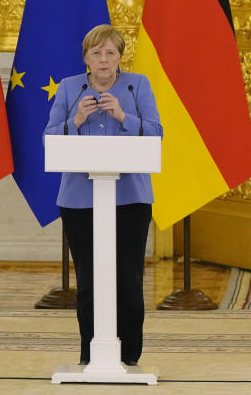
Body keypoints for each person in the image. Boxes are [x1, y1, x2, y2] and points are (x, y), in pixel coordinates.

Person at [45, 24, 162, 367]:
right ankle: (90, 353)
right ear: (86, 58)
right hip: (80, 200)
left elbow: (156, 132)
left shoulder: (137, 85)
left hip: (131, 198)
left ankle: (129, 354)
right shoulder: (69, 88)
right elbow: (50, 137)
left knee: (127, 279)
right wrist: (77, 119)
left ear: (120, 58)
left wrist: (123, 116)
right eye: (96, 53)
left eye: (111, 52)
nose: (104, 60)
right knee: (89, 281)